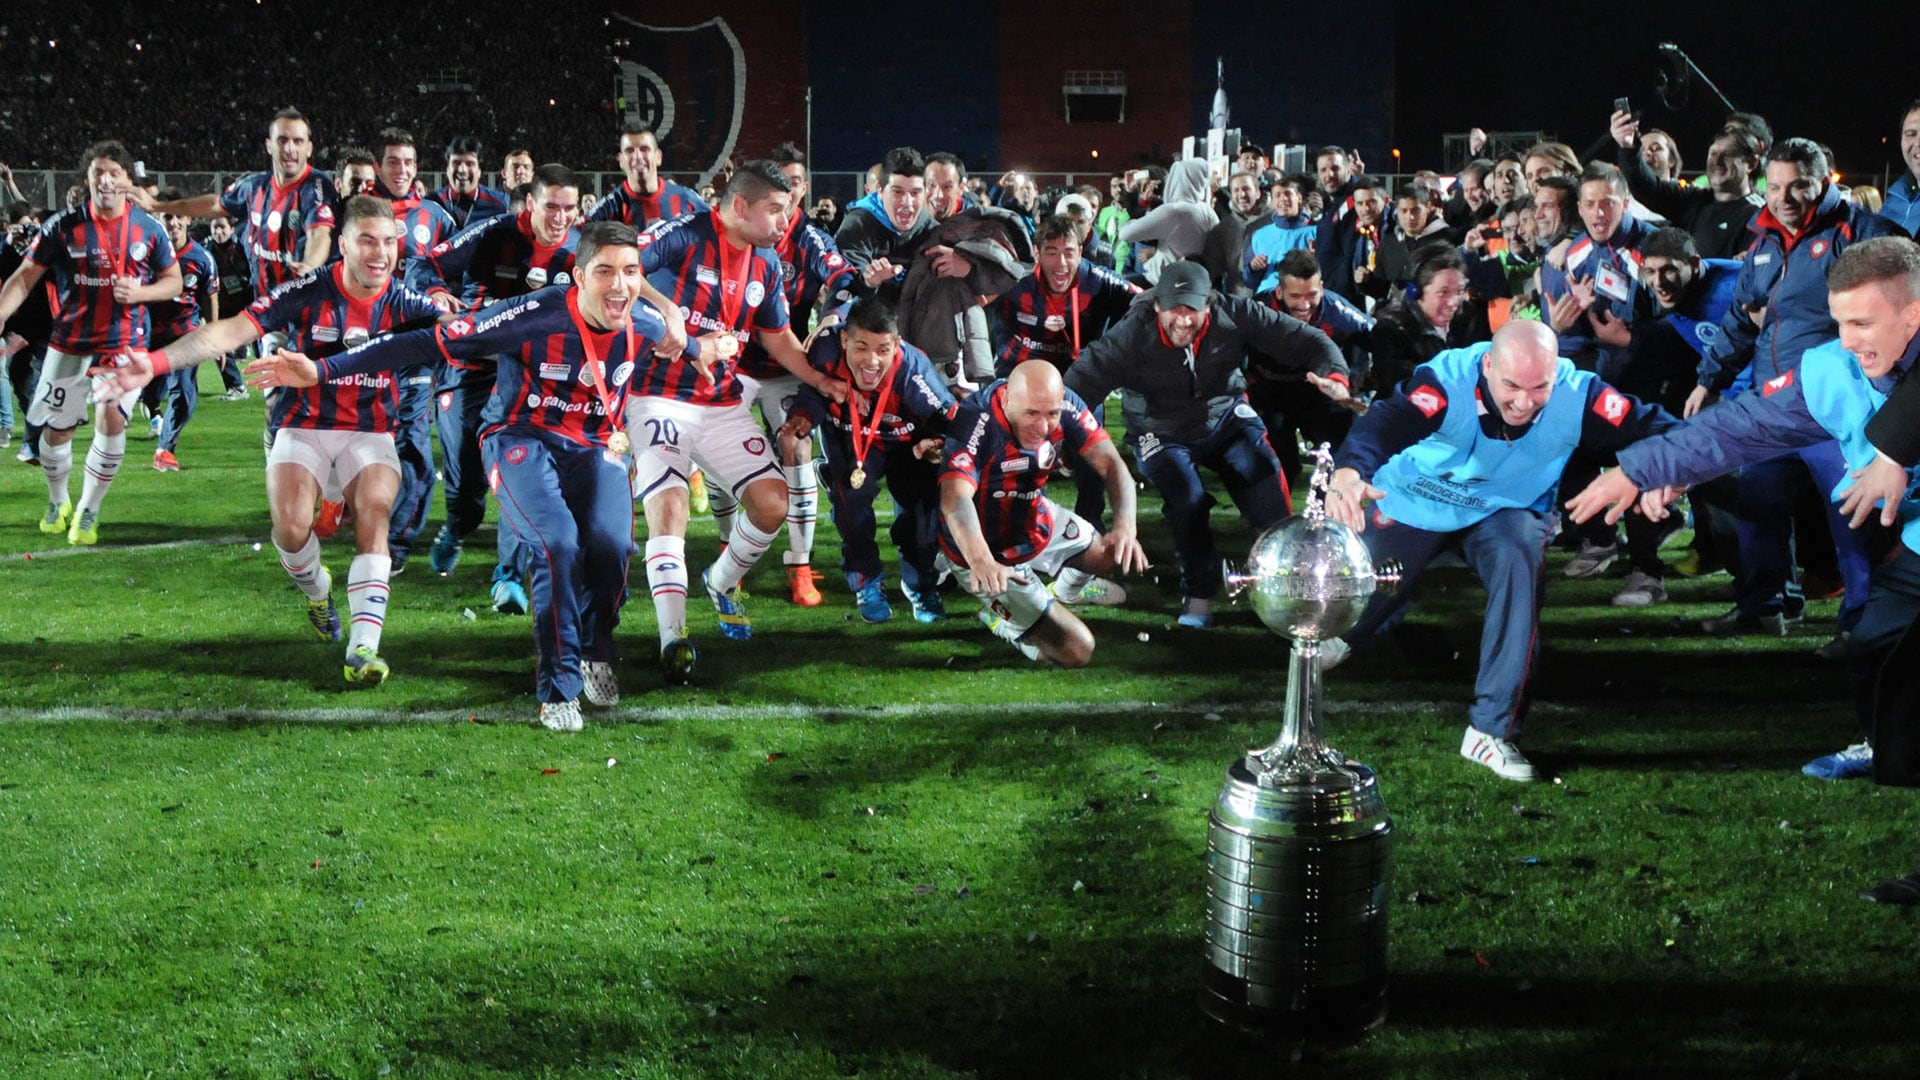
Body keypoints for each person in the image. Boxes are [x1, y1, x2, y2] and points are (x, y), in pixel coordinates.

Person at [247, 221, 707, 729]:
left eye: (630, 272)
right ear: (578, 276)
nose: (619, 286)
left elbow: (677, 339)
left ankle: (596, 646)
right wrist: (322, 370)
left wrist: (699, 349)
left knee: (612, 547)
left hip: (597, 446)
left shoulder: (643, 321)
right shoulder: (534, 315)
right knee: (556, 543)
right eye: (605, 272)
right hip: (520, 439)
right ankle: (559, 687)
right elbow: (426, 341)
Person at [1567, 237, 1920, 789]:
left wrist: (1897, 450)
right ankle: (1885, 746)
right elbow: (1745, 425)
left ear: (1914, 313)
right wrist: (1645, 468)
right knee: (1874, 642)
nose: (1847, 341)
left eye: (1863, 324)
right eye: (1839, 323)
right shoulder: (1832, 368)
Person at [97, 195, 444, 684]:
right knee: (291, 528)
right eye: (367, 240)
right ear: (342, 245)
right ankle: (319, 594)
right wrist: (153, 363)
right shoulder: (306, 290)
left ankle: (364, 650)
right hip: (303, 424)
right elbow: (228, 332)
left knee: (375, 513)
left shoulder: (407, 302)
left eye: (389, 241)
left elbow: (462, 333)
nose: (380, 253)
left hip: (370, 430)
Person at [1324, 321, 1677, 781]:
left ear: (1557, 372)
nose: (1524, 402)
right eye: (1511, 384)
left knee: (1520, 561)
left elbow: (1663, 429)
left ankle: (1490, 732)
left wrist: (1655, 472)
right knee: (1352, 606)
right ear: (1488, 365)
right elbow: (1389, 421)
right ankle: (1347, 632)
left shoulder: (1581, 394)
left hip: (1506, 506)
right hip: (1417, 497)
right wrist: (1350, 471)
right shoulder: (1447, 380)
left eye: (1539, 387)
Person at [628, 160, 847, 680]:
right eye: (775, 209)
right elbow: (618, 265)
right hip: (657, 396)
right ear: (741, 206)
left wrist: (818, 381)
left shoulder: (766, 263)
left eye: (788, 209)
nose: (783, 220)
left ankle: (722, 581)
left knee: (774, 505)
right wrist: (670, 315)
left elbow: (776, 336)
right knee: (671, 506)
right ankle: (673, 637)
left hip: (721, 401)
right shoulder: (683, 234)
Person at [1689, 138, 1903, 647]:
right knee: (1757, 501)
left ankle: (1862, 622)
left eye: (1798, 185)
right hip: (1776, 403)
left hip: (1837, 406)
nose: (1784, 197)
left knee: (1851, 516)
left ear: (1825, 181)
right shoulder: (1762, 244)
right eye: (1775, 186)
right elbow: (1741, 320)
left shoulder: (1860, 231)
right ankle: (1766, 604)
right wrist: (1707, 379)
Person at [1064, 261, 1352, 626]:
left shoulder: (1236, 312)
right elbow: (1076, 387)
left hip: (1225, 414)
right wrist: (1055, 439)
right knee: (1187, 499)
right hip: (1158, 429)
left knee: (1265, 475)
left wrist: (1335, 375)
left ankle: (1285, 573)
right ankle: (1199, 592)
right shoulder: (1130, 336)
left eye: (1193, 310)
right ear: (1157, 306)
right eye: (1174, 310)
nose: (1184, 320)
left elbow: (1307, 339)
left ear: (1209, 306)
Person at [407, 164, 607, 613]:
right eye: (551, 206)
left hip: (532, 376)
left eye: (569, 208)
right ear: (531, 203)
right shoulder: (491, 233)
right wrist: (437, 293)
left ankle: (509, 578)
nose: (560, 217)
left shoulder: (580, 250)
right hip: (470, 367)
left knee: (520, 471)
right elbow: (425, 264)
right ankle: (458, 526)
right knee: (466, 485)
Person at [0, 141, 181, 544]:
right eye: (98, 171)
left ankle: (89, 509)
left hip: (124, 344)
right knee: (56, 432)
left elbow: (175, 281)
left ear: (127, 181)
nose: (106, 179)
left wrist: (141, 293)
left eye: (114, 172)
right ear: (88, 179)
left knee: (111, 418)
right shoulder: (63, 225)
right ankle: (58, 499)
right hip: (70, 343)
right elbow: (25, 277)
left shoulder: (148, 229)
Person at [939, 360, 1149, 665]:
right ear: (1008, 399)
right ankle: (1001, 619)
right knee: (1078, 650)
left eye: (1052, 414)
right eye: (1031, 414)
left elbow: (1113, 465)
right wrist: (981, 560)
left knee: (1110, 552)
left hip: (1032, 516)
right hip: (986, 548)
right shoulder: (976, 419)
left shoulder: (1065, 404)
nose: (1042, 426)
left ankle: (1064, 591)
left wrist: (1125, 527)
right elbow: (955, 498)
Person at [732, 140, 856, 608]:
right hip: (735, 368)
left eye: (796, 182)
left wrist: (831, 316)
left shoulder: (808, 238)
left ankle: (800, 565)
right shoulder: (740, 233)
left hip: (785, 367)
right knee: (723, 456)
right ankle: (732, 553)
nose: (789, 192)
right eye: (780, 183)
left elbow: (842, 278)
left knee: (796, 443)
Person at [782, 298, 957, 622]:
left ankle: (920, 586)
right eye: (861, 347)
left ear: (897, 345)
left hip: (909, 445)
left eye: (883, 349)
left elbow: (953, 423)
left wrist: (937, 446)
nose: (872, 361)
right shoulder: (824, 352)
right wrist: (803, 417)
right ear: (844, 340)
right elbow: (812, 392)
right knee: (851, 510)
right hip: (851, 439)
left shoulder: (915, 374)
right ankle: (867, 583)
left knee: (919, 521)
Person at [992, 214, 1141, 533]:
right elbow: (985, 313)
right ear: (1036, 252)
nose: (1061, 263)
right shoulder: (1015, 284)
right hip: (1025, 381)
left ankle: (1090, 523)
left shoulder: (1099, 281)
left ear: (1080, 252)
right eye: (1052, 252)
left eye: (1069, 252)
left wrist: (1110, 346)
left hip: (1079, 381)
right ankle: (1028, 522)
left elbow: (1143, 302)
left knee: (1092, 456)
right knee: (1023, 455)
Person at [372, 128, 460, 572]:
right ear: (378, 166)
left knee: (413, 444)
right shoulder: (360, 213)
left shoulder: (435, 216)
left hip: (417, 347)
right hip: (365, 344)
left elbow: (453, 266)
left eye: (408, 161)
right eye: (393, 161)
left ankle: (397, 543)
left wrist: (442, 291)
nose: (402, 170)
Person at [1611, 110, 1764, 262]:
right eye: (1713, 153)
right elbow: (1647, 187)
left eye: (1728, 154)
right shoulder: (1693, 199)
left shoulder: (1758, 214)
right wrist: (1627, 146)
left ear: (1751, 163)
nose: (1717, 162)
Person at [145, 195, 218, 472]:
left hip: (185, 333)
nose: (173, 222)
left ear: (188, 219)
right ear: (159, 220)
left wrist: (214, 338)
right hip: (150, 333)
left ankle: (165, 450)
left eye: (178, 216)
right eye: (168, 217)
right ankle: (152, 408)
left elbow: (209, 298)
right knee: (151, 391)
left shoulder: (201, 258)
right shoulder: (148, 254)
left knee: (185, 394)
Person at [835, 146, 936, 308]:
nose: (907, 203)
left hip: (912, 323)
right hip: (867, 323)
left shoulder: (932, 230)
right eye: (898, 192)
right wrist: (869, 282)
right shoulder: (857, 225)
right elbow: (843, 288)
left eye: (915, 193)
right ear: (880, 192)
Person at [588, 122, 709, 230]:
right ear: (621, 161)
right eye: (629, 151)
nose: (637, 157)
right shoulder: (609, 207)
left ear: (658, 157)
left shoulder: (686, 199)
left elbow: (718, 226)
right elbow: (573, 238)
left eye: (644, 149)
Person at [1118, 159, 1217, 285]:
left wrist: (1134, 197)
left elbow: (1125, 234)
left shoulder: (1173, 211)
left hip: (1162, 282)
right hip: (1194, 282)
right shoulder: (1208, 211)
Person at [205, 216, 252, 399]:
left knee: (264, 345)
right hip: (222, 305)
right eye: (215, 228)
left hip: (247, 303)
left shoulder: (243, 249)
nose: (218, 232)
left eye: (222, 227)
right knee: (217, 344)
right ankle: (236, 387)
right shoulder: (206, 252)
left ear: (232, 229)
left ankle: (281, 387)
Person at [429, 136, 510, 230]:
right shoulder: (433, 203)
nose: (462, 170)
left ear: (479, 171)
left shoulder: (500, 205)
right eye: (456, 162)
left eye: (469, 163)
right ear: (447, 169)